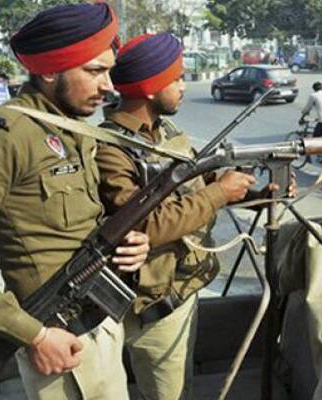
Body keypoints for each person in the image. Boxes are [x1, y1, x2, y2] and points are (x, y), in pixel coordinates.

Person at [96, 33, 296, 399]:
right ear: (151, 87)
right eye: (175, 78)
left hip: (182, 288)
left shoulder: (168, 133)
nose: (183, 85)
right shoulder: (111, 149)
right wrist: (220, 192)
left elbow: (201, 181)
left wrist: (253, 195)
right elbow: (145, 224)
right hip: (149, 302)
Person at [0, 3, 151, 399]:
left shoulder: (75, 131)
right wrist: (34, 334)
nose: (109, 85)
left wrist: (130, 245)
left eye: (108, 70)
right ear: (50, 70)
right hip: (55, 338)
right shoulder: (3, 137)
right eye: (94, 71)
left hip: (100, 320)